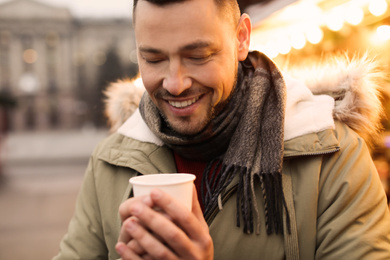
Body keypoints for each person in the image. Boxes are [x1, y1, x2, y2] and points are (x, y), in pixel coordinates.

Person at [53, 0, 390, 259]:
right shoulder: (111, 161)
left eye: (198, 55)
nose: (175, 83)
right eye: (153, 59)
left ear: (241, 38)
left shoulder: (333, 157)